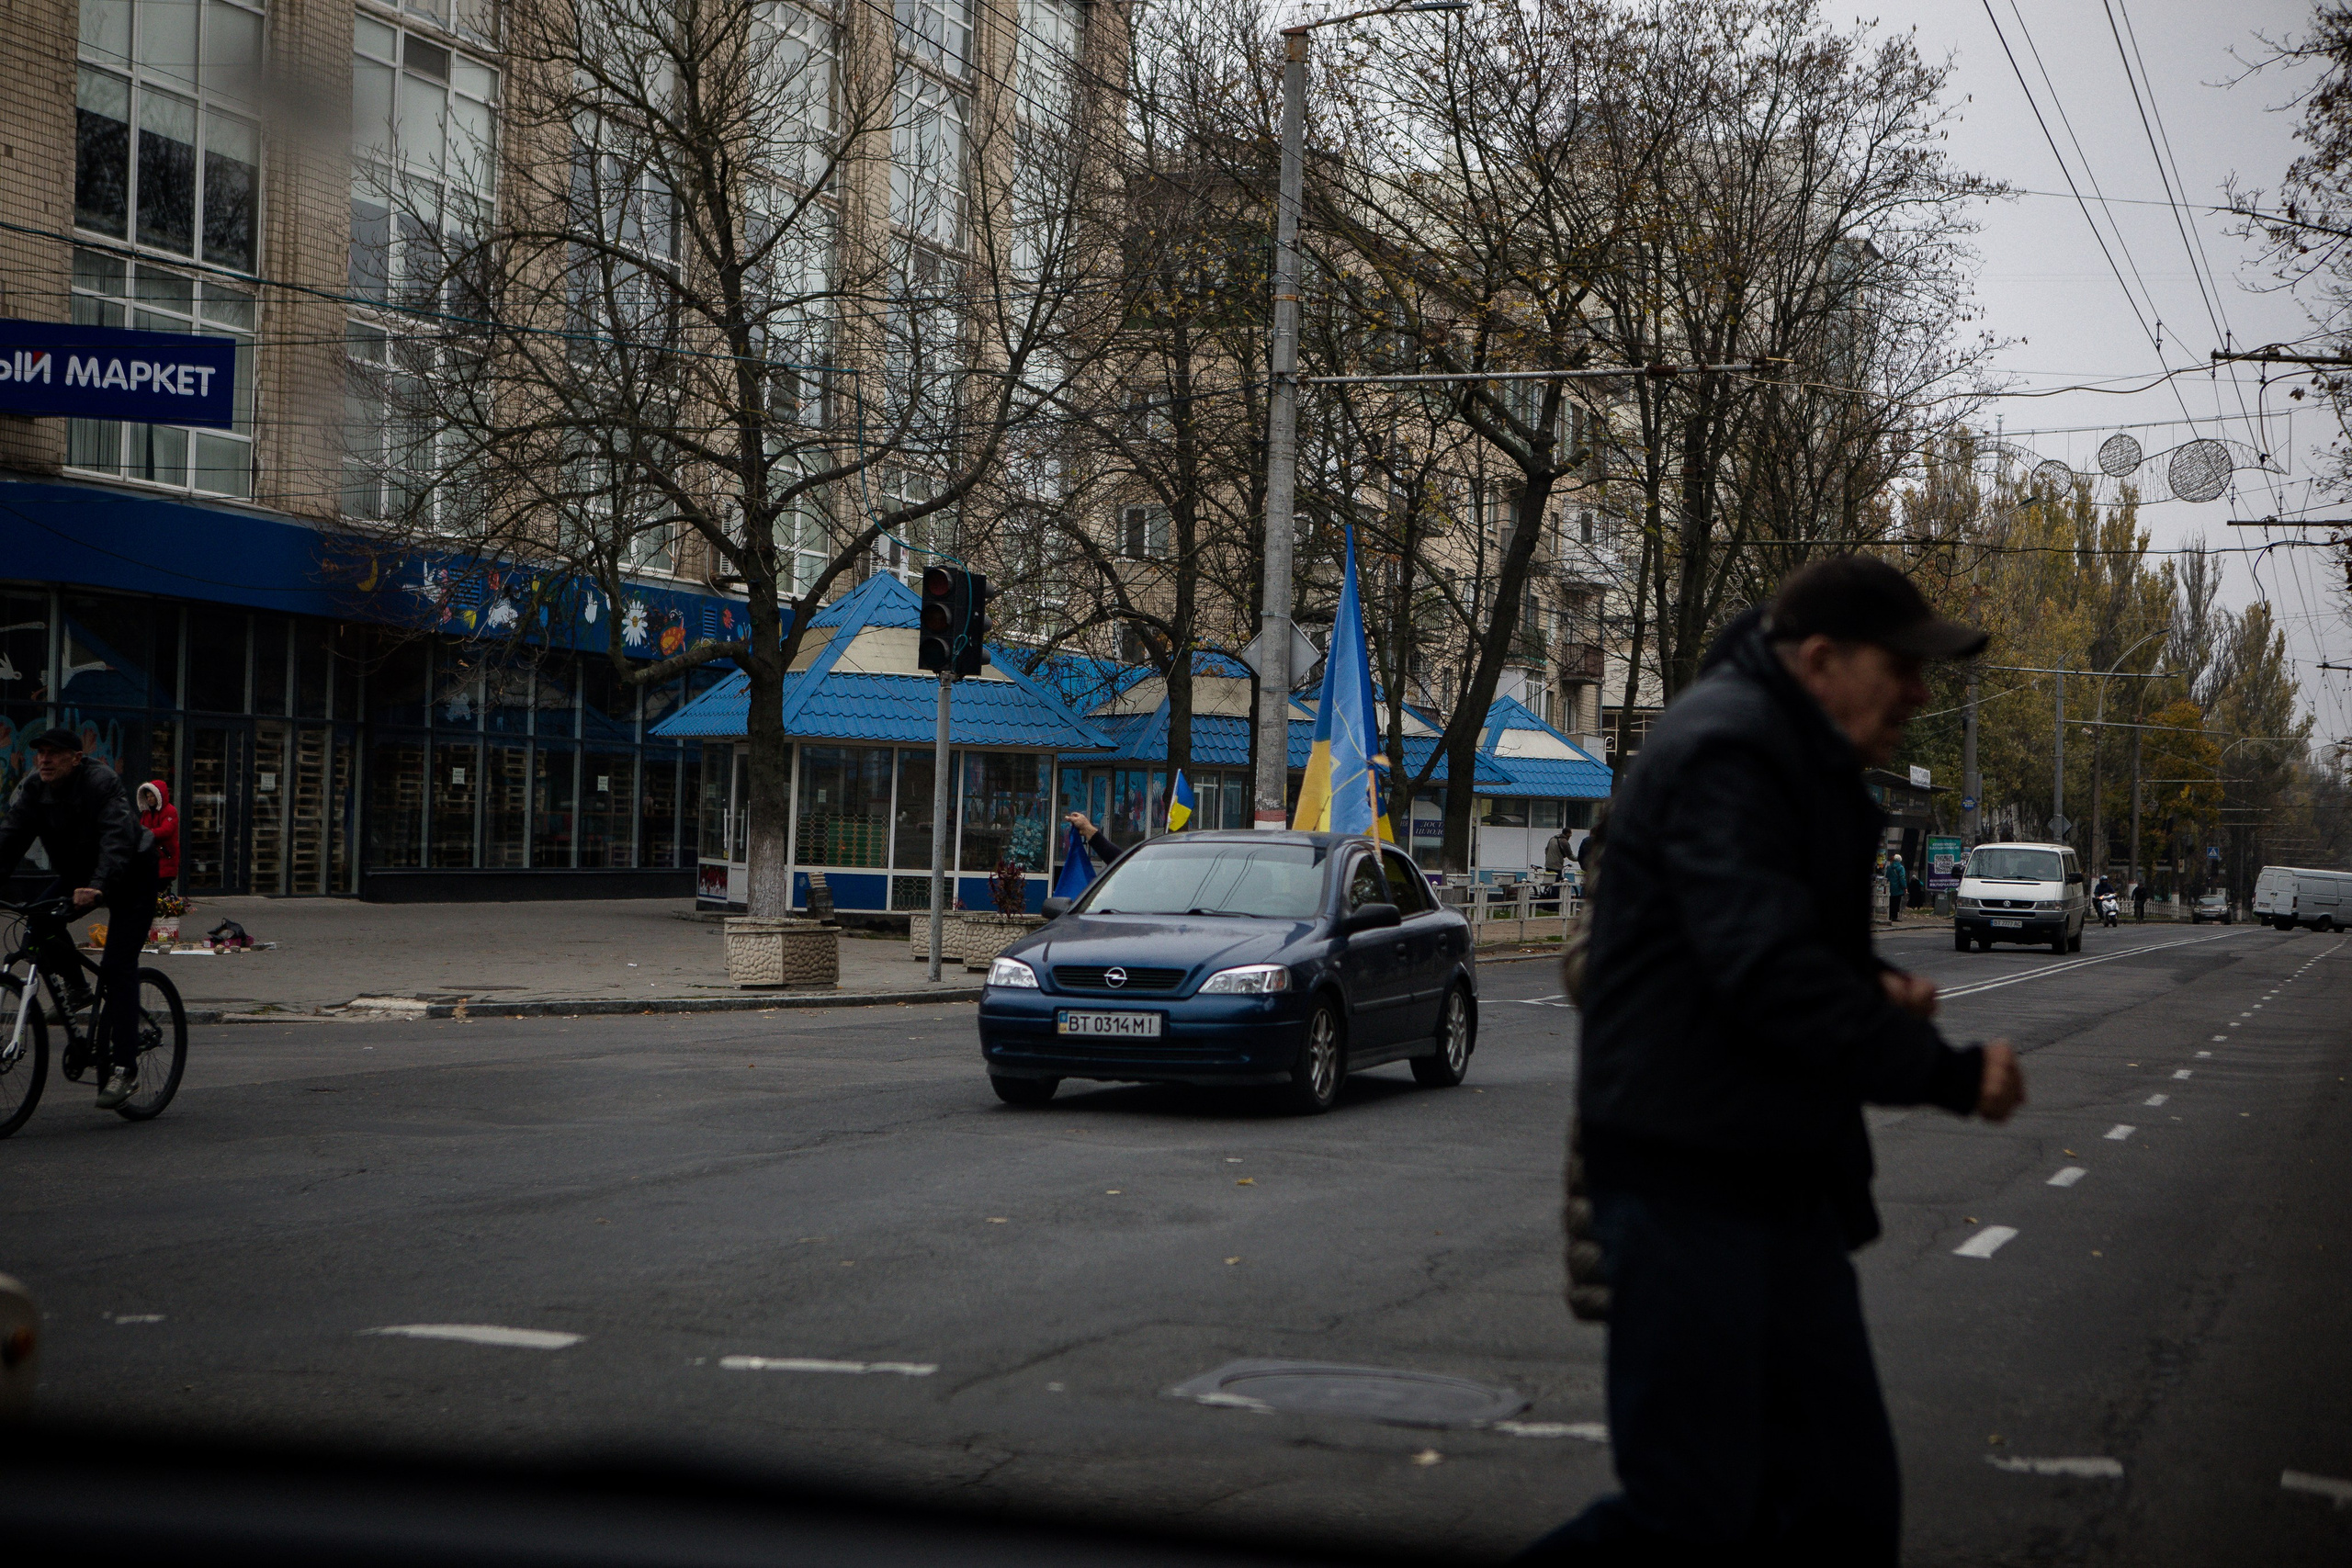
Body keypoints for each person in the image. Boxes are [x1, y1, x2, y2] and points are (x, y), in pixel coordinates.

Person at [1532, 555, 2025, 1564]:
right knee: (1690, 1515)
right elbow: (1759, 969)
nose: (1921, 692)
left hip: (1763, 1175)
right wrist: (1941, 1070)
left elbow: (1752, 946)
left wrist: (1862, 984)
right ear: (1819, 660)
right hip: (1692, 1180)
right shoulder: (1730, 751)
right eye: (1902, 666)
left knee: (1828, 1506)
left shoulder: (1786, 754)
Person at [0, 730, 160, 1109]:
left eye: (54, 753)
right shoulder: (35, 790)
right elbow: (10, 839)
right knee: (36, 928)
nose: (44, 760)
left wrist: (99, 884)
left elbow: (116, 836)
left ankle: (124, 1070)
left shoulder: (100, 781)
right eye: (40, 753)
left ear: (76, 757)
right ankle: (78, 987)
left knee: (118, 966)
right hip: (80, 874)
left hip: (130, 873)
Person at [138, 779, 179, 889]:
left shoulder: (170, 811)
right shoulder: (147, 813)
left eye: (152, 796)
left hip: (165, 856)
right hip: (151, 856)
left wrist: (147, 833)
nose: (149, 799)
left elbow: (166, 831)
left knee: (161, 888)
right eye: (147, 796)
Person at [1883, 853, 1906, 922]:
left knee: (1891, 902)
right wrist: (1904, 887)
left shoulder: (1890, 867)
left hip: (1890, 887)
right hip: (1898, 888)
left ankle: (1890, 916)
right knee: (1897, 902)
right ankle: (1895, 917)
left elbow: (1887, 876)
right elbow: (1902, 878)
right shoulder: (1901, 868)